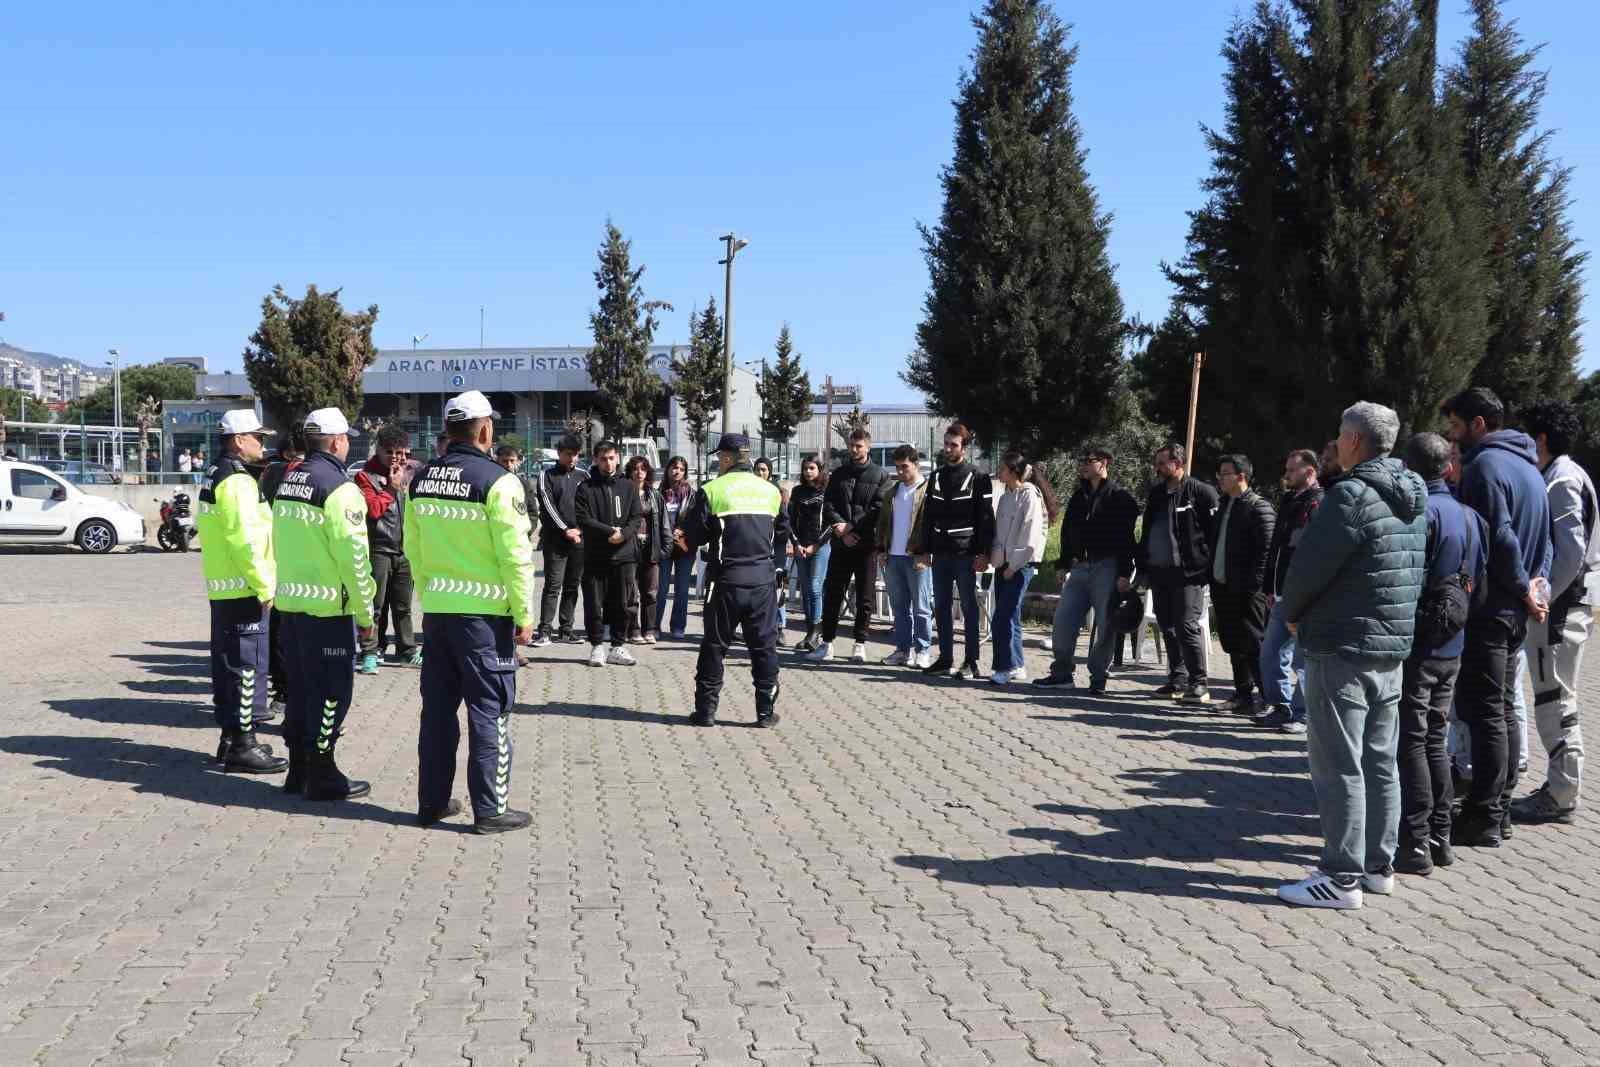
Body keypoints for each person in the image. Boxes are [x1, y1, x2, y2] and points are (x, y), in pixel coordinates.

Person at [1275, 401, 1426, 909]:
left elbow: (1309, 569)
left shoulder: (1351, 496)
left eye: (1341, 435)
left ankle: (1340, 877)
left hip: (1343, 645)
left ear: (1356, 442)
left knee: (1338, 764)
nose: (1336, 443)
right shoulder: (1415, 496)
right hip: (1391, 647)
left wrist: (1291, 614)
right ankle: (1378, 867)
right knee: (1381, 762)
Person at [405, 390, 536, 833]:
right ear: (484, 430)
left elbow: (413, 550)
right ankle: (491, 809)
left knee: (438, 713)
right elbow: (515, 555)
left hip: (439, 614)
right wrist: (524, 614)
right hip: (484, 620)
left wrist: (430, 595)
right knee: (490, 711)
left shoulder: (421, 480)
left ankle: (432, 803)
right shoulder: (499, 481)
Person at [1444, 387, 1552, 847]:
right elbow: (1545, 539)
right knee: (1503, 707)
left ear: (1479, 424)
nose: (1453, 435)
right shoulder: (1528, 466)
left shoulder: (1486, 466)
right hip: (1514, 606)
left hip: (1492, 606)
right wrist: (1535, 586)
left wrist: (1523, 587)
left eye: (1455, 426)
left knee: (1486, 710)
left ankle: (1484, 816)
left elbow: (1500, 536)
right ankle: (1498, 809)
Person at [271, 408, 377, 802]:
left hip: (292, 607)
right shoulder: (339, 488)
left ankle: (298, 769)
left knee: (299, 691)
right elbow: (354, 557)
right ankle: (322, 771)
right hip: (329, 610)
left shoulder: (290, 478)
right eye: (346, 437)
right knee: (332, 693)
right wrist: (366, 615)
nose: (348, 443)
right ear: (336, 442)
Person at [1394, 431, 1487, 876]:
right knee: (1435, 738)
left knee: (1411, 740)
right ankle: (1441, 836)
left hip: (1418, 643)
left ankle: (1414, 842)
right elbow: (1480, 586)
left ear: (1409, 469)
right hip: (1454, 643)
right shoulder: (1472, 518)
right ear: (1447, 468)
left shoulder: (1420, 513)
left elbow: (1405, 581)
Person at [1512, 399, 1599, 826]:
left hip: (1561, 610)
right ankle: (1560, 788)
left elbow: (1570, 552)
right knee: (1556, 697)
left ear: (1541, 438)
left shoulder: (1561, 479)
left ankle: (1562, 794)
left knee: (1554, 699)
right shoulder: (1566, 474)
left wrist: (1542, 596)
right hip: (1567, 606)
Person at [675, 433, 789, 726]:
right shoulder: (771, 491)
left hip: (725, 581)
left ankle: (706, 712)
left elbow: (695, 536)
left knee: (715, 646)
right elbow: (783, 533)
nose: (718, 461)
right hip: (763, 582)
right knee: (764, 648)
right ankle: (765, 713)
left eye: (719, 457)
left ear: (727, 457)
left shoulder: (712, 490)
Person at [195, 409, 285, 774]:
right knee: (247, 668)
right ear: (237, 440)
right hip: (244, 586)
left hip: (226, 586)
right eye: (256, 437)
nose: (261, 443)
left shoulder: (217, 473)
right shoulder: (236, 481)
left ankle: (231, 738)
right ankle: (243, 745)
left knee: (229, 666)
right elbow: (245, 539)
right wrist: (265, 585)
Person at [1035, 447, 1139, 695]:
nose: (1082, 465)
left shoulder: (1120, 497)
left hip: (1108, 566)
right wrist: (1062, 563)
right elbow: (1067, 532)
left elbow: (1127, 539)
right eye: (1080, 460)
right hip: (1080, 567)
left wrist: (1124, 573)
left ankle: (1098, 678)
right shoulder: (1078, 497)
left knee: (1105, 624)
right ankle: (1061, 673)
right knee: (1063, 619)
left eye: (1088, 461)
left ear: (1104, 463)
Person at [1136, 444, 1220, 704]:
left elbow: (1214, 535)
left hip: (1189, 574)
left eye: (1163, 462)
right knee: (1168, 627)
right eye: (1157, 462)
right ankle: (1177, 679)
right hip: (1160, 573)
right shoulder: (1157, 494)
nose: (1158, 467)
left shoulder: (1201, 492)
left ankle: (1199, 683)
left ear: (1178, 462)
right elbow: (1147, 533)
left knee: (1186, 625)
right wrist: (1143, 569)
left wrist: (1206, 566)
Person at [1254, 449, 1324, 733]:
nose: (1287, 474)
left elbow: (1312, 554)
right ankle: (1279, 706)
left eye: (1293, 470)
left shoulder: (1320, 503)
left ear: (1309, 471)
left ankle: (1302, 715)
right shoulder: (1288, 500)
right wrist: (1269, 586)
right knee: (1270, 653)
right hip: (1280, 594)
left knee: (1302, 660)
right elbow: (1277, 548)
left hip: (1304, 598)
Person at [920, 424, 996, 681]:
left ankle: (971, 661)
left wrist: (984, 553)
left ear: (964, 448)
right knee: (940, 606)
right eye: (946, 444)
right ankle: (945, 658)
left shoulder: (979, 477)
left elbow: (986, 518)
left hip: (966, 554)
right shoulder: (936, 476)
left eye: (954, 445)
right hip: (940, 554)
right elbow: (928, 515)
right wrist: (924, 550)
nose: (948, 449)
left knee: (968, 607)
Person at [808, 429, 889, 663]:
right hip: (841, 545)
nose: (855, 450)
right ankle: (827, 643)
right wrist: (840, 529)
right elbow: (830, 504)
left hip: (866, 547)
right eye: (852, 445)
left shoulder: (881, 475)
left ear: (868, 447)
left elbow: (878, 509)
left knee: (865, 597)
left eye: (859, 446)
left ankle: (860, 644)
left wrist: (853, 530)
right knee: (832, 594)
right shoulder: (839, 474)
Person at [1209, 454, 1276, 713]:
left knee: (1254, 645)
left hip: (1248, 592)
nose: (1220, 478)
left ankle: (1270, 698)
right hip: (1224, 587)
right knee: (1234, 645)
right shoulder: (1224, 504)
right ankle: (1242, 695)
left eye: (1225, 473)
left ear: (1241, 476)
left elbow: (1266, 552)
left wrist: (1253, 586)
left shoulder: (1259, 507)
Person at [353, 425, 421, 673]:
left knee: (403, 606)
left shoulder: (412, 472)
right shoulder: (365, 476)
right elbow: (373, 510)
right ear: (379, 450)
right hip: (378, 548)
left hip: (405, 550)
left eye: (401, 452)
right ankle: (370, 651)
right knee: (375, 605)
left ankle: (407, 651)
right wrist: (392, 487)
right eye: (390, 452)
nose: (396, 457)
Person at [576, 440, 644, 667]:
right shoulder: (586, 488)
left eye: (612, 457)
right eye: (603, 458)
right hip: (596, 555)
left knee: (622, 603)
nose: (608, 463)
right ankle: (596, 645)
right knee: (594, 603)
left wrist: (623, 534)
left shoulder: (629, 486)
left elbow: (636, 517)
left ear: (618, 458)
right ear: (596, 459)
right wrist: (609, 532)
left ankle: (617, 646)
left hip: (624, 555)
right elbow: (584, 519)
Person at [990, 451, 1056, 685]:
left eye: (1003, 468)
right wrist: (997, 560)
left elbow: (1030, 535)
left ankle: (1003, 667)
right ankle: (1017, 665)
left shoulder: (1029, 495)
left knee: (1002, 617)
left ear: (1014, 471)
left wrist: (1014, 565)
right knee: (1011, 617)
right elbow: (999, 532)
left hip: (1020, 566)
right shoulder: (1006, 495)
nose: (999, 471)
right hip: (1002, 564)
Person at [259, 429, 306, 719]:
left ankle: (283, 689)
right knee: (287, 631)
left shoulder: (268, 472)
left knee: (279, 628)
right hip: (297, 563)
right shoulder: (283, 472)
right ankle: (288, 691)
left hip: (274, 557)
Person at [874, 445, 932, 668]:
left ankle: (923, 650)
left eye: (904, 467)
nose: (900, 472)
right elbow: (882, 524)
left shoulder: (927, 490)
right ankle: (902, 650)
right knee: (899, 608)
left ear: (915, 464)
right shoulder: (892, 492)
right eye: (897, 467)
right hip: (893, 557)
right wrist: (881, 550)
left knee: (921, 607)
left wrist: (927, 553)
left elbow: (931, 525)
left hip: (917, 557)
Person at [533, 434, 586, 646]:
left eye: (575, 455)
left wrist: (581, 530)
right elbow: (547, 505)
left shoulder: (584, 476)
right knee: (553, 585)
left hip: (579, 540)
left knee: (573, 585)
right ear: (559, 454)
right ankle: (544, 631)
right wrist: (565, 529)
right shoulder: (546, 475)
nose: (572, 459)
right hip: (555, 540)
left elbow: (589, 506)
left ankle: (567, 629)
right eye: (568, 455)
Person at [787, 457, 832, 652]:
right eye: (805, 468)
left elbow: (830, 522)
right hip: (800, 547)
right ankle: (809, 633)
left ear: (820, 470)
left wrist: (815, 545)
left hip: (820, 546)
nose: (808, 472)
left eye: (812, 468)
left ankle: (816, 632)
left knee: (815, 588)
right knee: (805, 591)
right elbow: (789, 520)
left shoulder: (827, 492)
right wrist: (796, 543)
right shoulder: (797, 492)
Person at [625, 455, 670, 644]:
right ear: (630, 472)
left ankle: (649, 629)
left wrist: (665, 549)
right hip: (629, 548)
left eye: (643, 468)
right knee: (632, 592)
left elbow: (665, 524)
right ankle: (633, 629)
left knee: (651, 592)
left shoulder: (656, 496)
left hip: (651, 549)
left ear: (648, 472)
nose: (639, 472)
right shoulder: (624, 494)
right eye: (635, 468)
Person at [655, 456, 696, 638]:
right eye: (673, 467)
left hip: (684, 547)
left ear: (685, 471)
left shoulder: (692, 494)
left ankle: (678, 627)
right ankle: (654, 626)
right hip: (664, 546)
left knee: (682, 589)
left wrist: (683, 529)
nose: (676, 471)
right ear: (668, 469)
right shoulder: (659, 492)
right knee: (661, 589)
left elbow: (697, 519)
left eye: (680, 468)